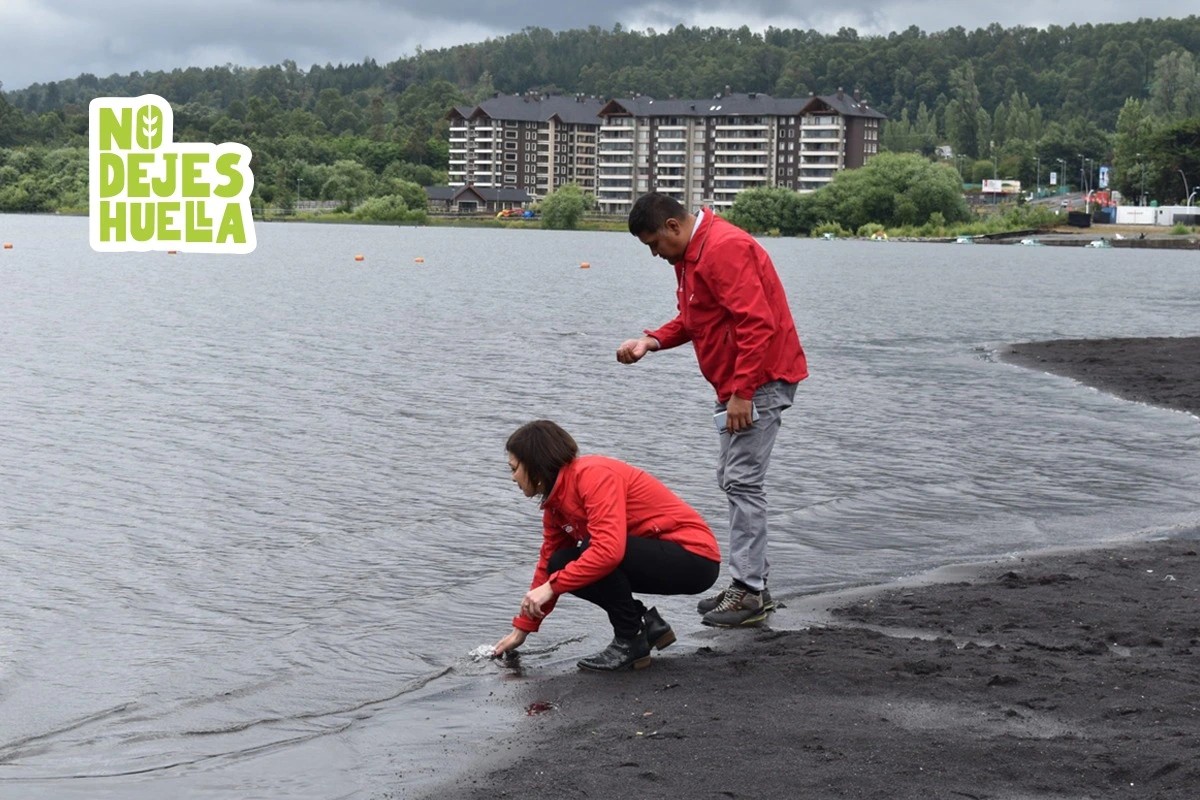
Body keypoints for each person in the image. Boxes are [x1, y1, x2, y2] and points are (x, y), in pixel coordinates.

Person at [617, 192, 808, 628]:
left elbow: (758, 323)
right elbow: (694, 318)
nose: (654, 255)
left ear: (672, 227)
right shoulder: (691, 255)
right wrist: (652, 341)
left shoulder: (723, 248)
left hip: (758, 380)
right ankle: (750, 580)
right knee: (733, 478)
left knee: (742, 480)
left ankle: (749, 592)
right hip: (739, 382)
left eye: (654, 245)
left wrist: (743, 392)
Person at [492, 420, 720, 671]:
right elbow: (548, 563)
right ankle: (646, 625)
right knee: (560, 563)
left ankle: (630, 639)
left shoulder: (593, 475)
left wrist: (552, 586)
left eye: (514, 468)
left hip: (695, 558)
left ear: (535, 464)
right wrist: (523, 628)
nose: (512, 477)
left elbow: (609, 552)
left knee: (593, 549)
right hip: (654, 556)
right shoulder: (556, 506)